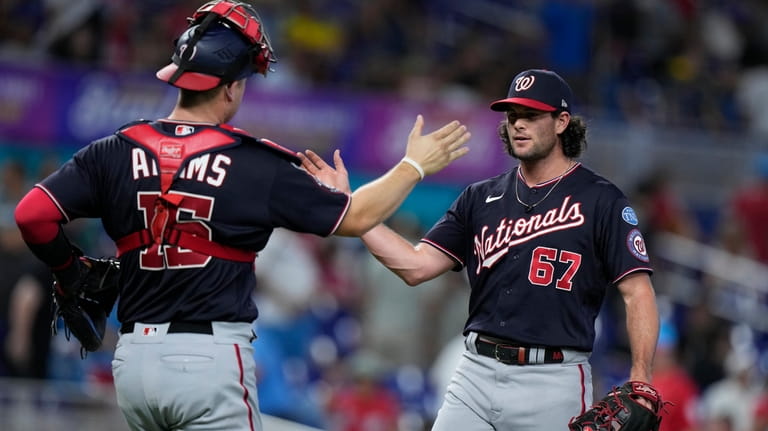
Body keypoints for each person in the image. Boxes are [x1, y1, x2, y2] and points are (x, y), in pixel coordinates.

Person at [12, 2, 470, 431]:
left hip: (134, 364)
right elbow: (355, 218)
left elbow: (32, 215)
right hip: (207, 361)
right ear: (231, 86)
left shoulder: (113, 150)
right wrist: (415, 165)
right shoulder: (253, 163)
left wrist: (70, 273)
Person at [301, 68, 660, 430]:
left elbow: (638, 292)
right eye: (513, 115)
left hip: (552, 378)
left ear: (562, 121)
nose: (519, 124)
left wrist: (640, 375)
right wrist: (353, 211)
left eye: (532, 116)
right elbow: (415, 266)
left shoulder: (601, 200)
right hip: (475, 370)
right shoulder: (480, 197)